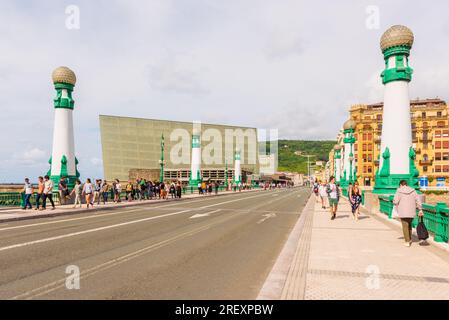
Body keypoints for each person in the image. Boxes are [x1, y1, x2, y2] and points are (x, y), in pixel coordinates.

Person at [393, 180, 423, 247]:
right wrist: (420, 209)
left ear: (400, 185)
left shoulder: (399, 191)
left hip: (403, 211)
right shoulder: (413, 190)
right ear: (406, 184)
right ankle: (410, 239)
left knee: (405, 226)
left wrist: (394, 201)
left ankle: (407, 241)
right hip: (411, 211)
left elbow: (395, 201)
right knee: (409, 225)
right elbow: (418, 200)